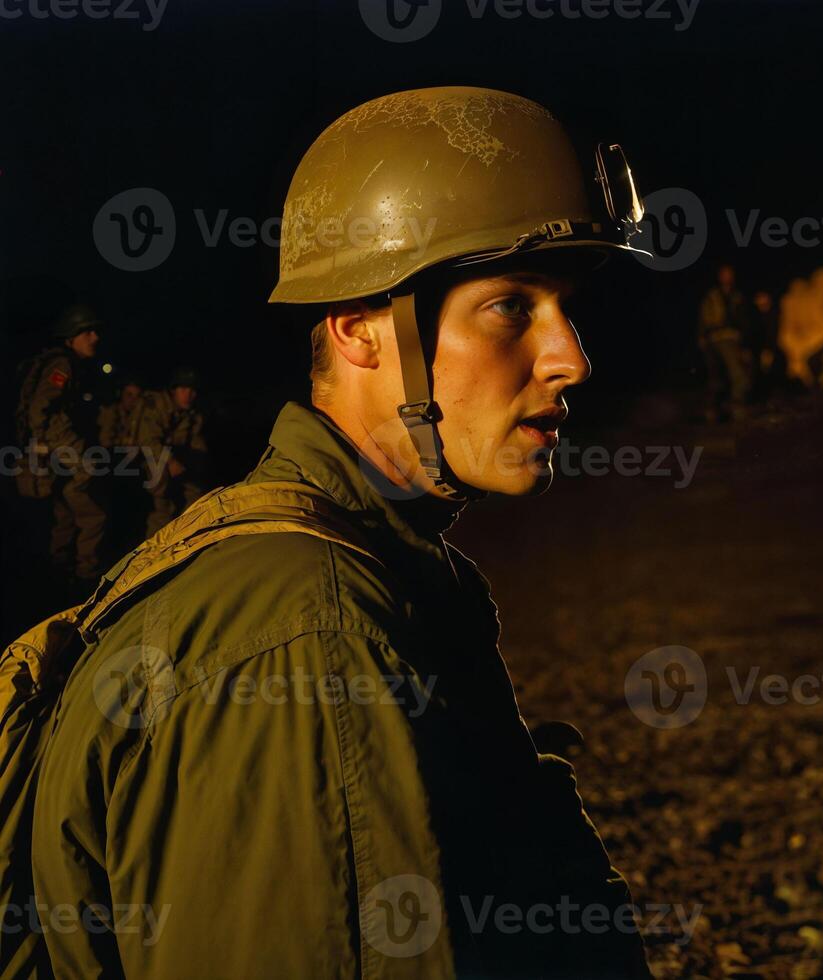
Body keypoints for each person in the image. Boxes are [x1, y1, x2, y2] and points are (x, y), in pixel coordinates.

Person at [30, 87, 652, 979]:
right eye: (512, 306)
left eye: (564, 307)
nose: (571, 358)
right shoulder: (309, 633)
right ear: (362, 331)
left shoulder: (378, 566)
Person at [12, 304, 107, 588]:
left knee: (64, 511)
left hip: (53, 448)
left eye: (95, 331)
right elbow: (42, 409)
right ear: (71, 336)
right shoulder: (62, 365)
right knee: (93, 513)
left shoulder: (62, 363)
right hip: (60, 445)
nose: (95, 337)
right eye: (87, 332)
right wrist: (64, 446)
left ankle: (60, 568)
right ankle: (86, 573)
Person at [136, 367, 209, 534]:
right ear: (173, 391)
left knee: (195, 495)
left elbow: (196, 443)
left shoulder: (192, 413)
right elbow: (147, 441)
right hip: (144, 460)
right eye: (183, 389)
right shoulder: (156, 405)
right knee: (162, 506)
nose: (188, 395)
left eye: (192, 390)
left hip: (172, 460)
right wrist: (171, 461)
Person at [697, 263, 754, 420]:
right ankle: (714, 410)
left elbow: (745, 321)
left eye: (729, 274)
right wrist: (702, 338)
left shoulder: (737, 297)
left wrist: (744, 342)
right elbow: (704, 319)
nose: (727, 277)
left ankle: (736, 408)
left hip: (732, 340)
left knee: (738, 375)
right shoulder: (712, 296)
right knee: (716, 376)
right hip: (715, 340)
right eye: (724, 274)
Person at [750, 289, 789, 396]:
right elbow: (755, 335)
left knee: (775, 371)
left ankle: (777, 395)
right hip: (761, 350)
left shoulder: (774, 314)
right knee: (761, 373)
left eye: (763, 298)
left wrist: (769, 350)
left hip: (774, 348)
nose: (761, 302)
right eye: (758, 299)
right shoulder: (755, 316)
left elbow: (774, 333)